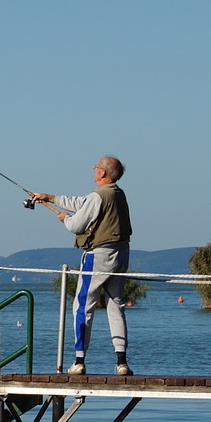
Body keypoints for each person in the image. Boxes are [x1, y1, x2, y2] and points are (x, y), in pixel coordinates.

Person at [29, 156, 133, 376]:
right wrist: (49, 197)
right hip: (122, 253)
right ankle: (122, 362)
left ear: (103, 173)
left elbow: (77, 224)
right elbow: (82, 203)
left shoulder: (98, 196)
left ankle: (79, 361)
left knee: (83, 306)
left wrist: (65, 219)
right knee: (116, 306)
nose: (93, 170)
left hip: (98, 256)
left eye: (96, 167)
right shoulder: (117, 194)